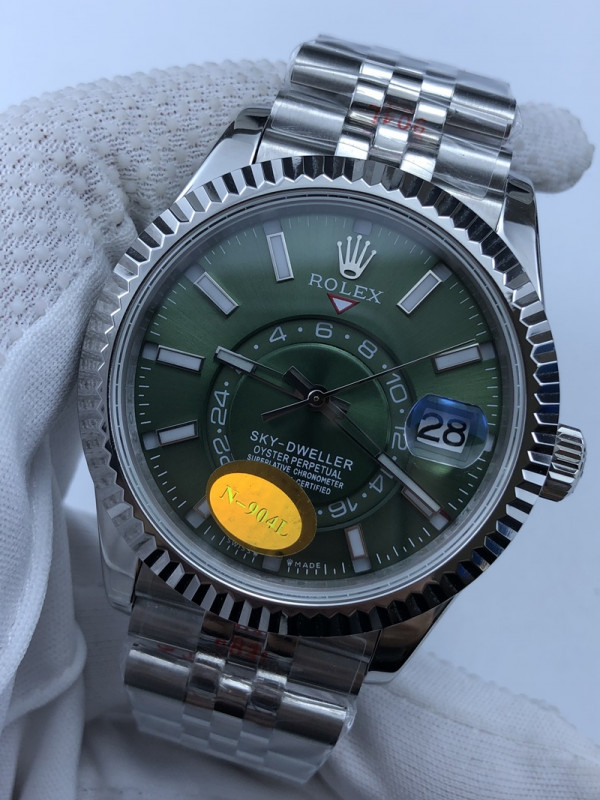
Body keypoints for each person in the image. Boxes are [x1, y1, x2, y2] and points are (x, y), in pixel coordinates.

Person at [0, 58, 598, 800]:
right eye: (314, 393)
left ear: (540, 459)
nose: (318, 398)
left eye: (326, 397)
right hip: (186, 534)